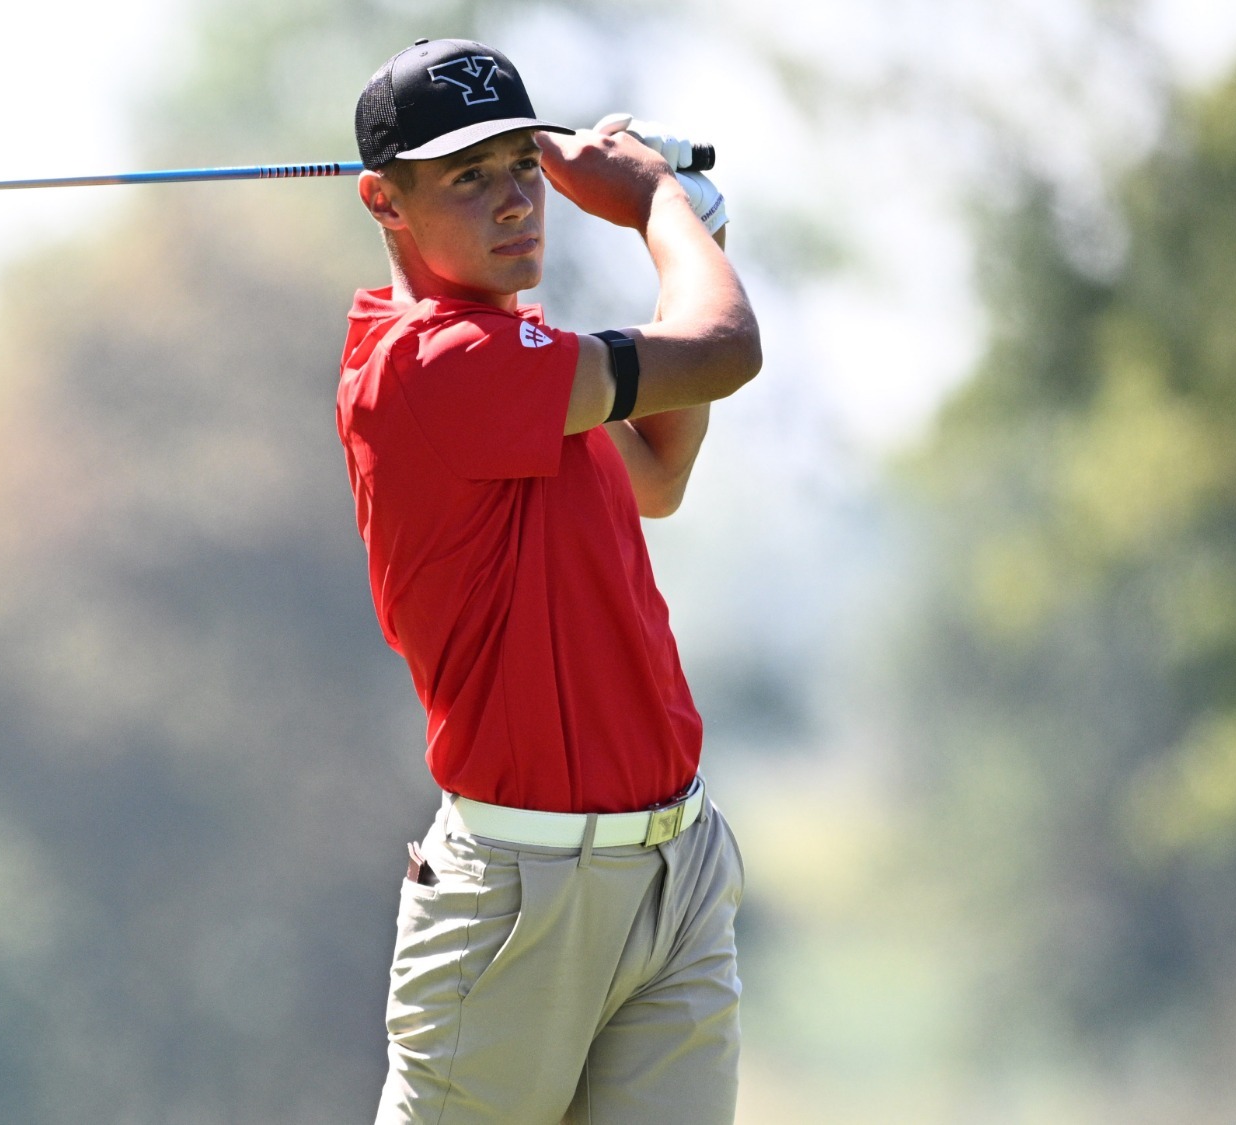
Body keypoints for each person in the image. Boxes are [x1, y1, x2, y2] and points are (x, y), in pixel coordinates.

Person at [337, 37, 762, 1125]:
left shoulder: (529, 359)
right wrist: (655, 202)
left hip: (672, 872)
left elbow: (657, 472)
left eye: (526, 162)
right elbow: (723, 346)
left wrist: (695, 226)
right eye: (468, 176)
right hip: (516, 901)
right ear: (384, 200)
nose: (516, 199)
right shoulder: (434, 367)